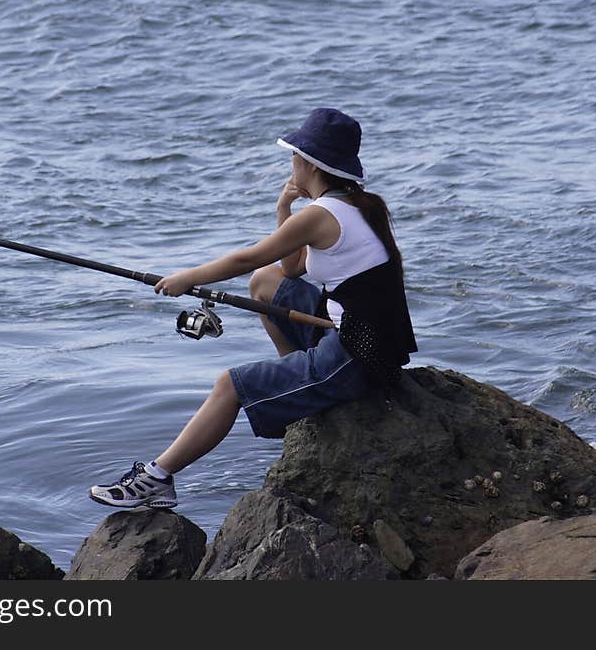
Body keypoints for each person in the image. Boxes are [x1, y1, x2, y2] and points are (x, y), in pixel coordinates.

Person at [89, 107, 417, 509]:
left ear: (310, 164)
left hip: (358, 354)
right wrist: (284, 209)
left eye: (295, 156)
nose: (291, 164)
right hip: (362, 335)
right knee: (265, 282)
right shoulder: (356, 204)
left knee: (230, 385)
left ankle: (157, 478)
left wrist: (187, 277)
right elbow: (291, 268)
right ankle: (301, 386)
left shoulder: (321, 215)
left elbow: (245, 257)